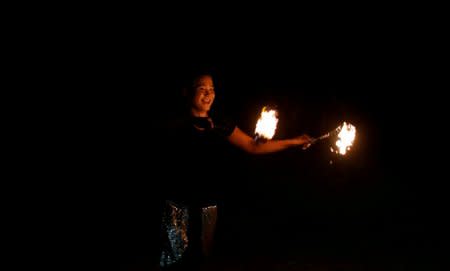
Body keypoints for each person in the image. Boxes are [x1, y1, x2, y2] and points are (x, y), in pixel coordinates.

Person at [159, 71, 313, 270]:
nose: (208, 94)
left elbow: (252, 146)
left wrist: (294, 141)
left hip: (208, 205)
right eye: (202, 89)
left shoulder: (221, 124)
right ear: (187, 92)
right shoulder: (174, 123)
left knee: (201, 260)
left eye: (211, 89)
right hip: (177, 205)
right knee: (174, 262)